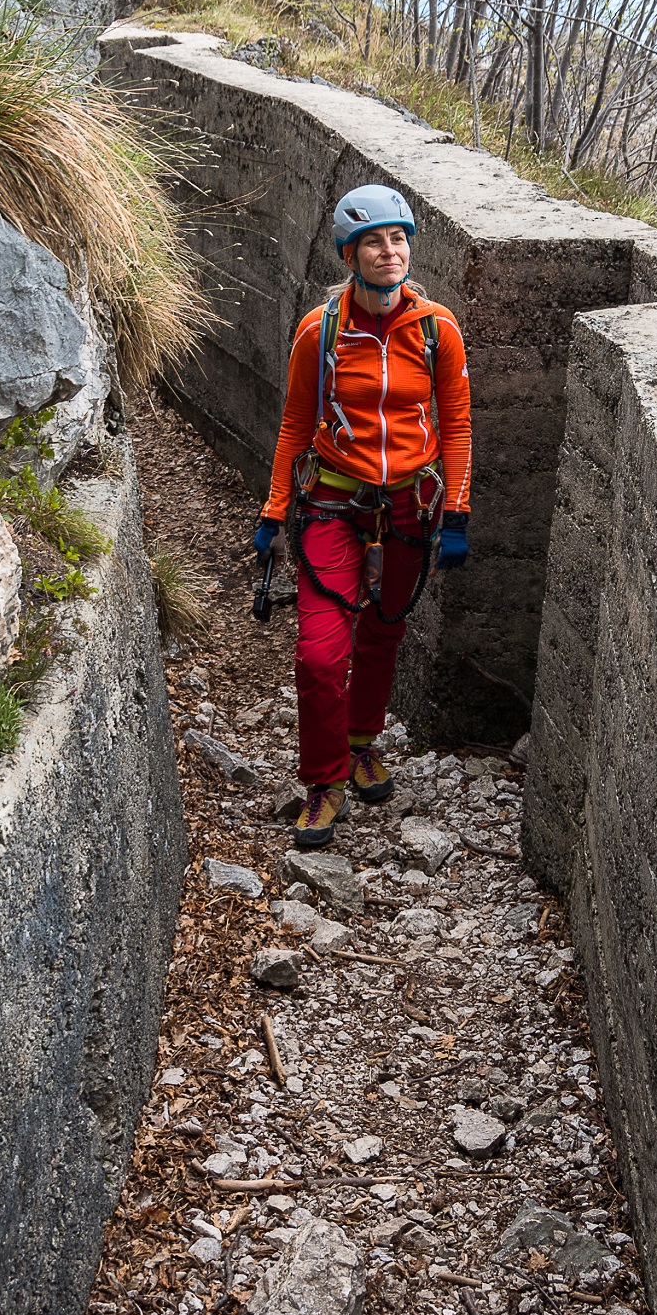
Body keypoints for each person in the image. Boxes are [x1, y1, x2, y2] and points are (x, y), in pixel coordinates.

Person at [253, 184, 472, 847]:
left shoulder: (438, 330)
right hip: (333, 503)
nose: (389, 252)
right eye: (373, 242)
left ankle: (361, 742)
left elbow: (457, 425)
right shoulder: (320, 333)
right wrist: (273, 512)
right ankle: (324, 781)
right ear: (350, 253)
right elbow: (295, 423)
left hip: (411, 503)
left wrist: (456, 513)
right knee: (321, 654)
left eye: (398, 239)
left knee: (383, 632)